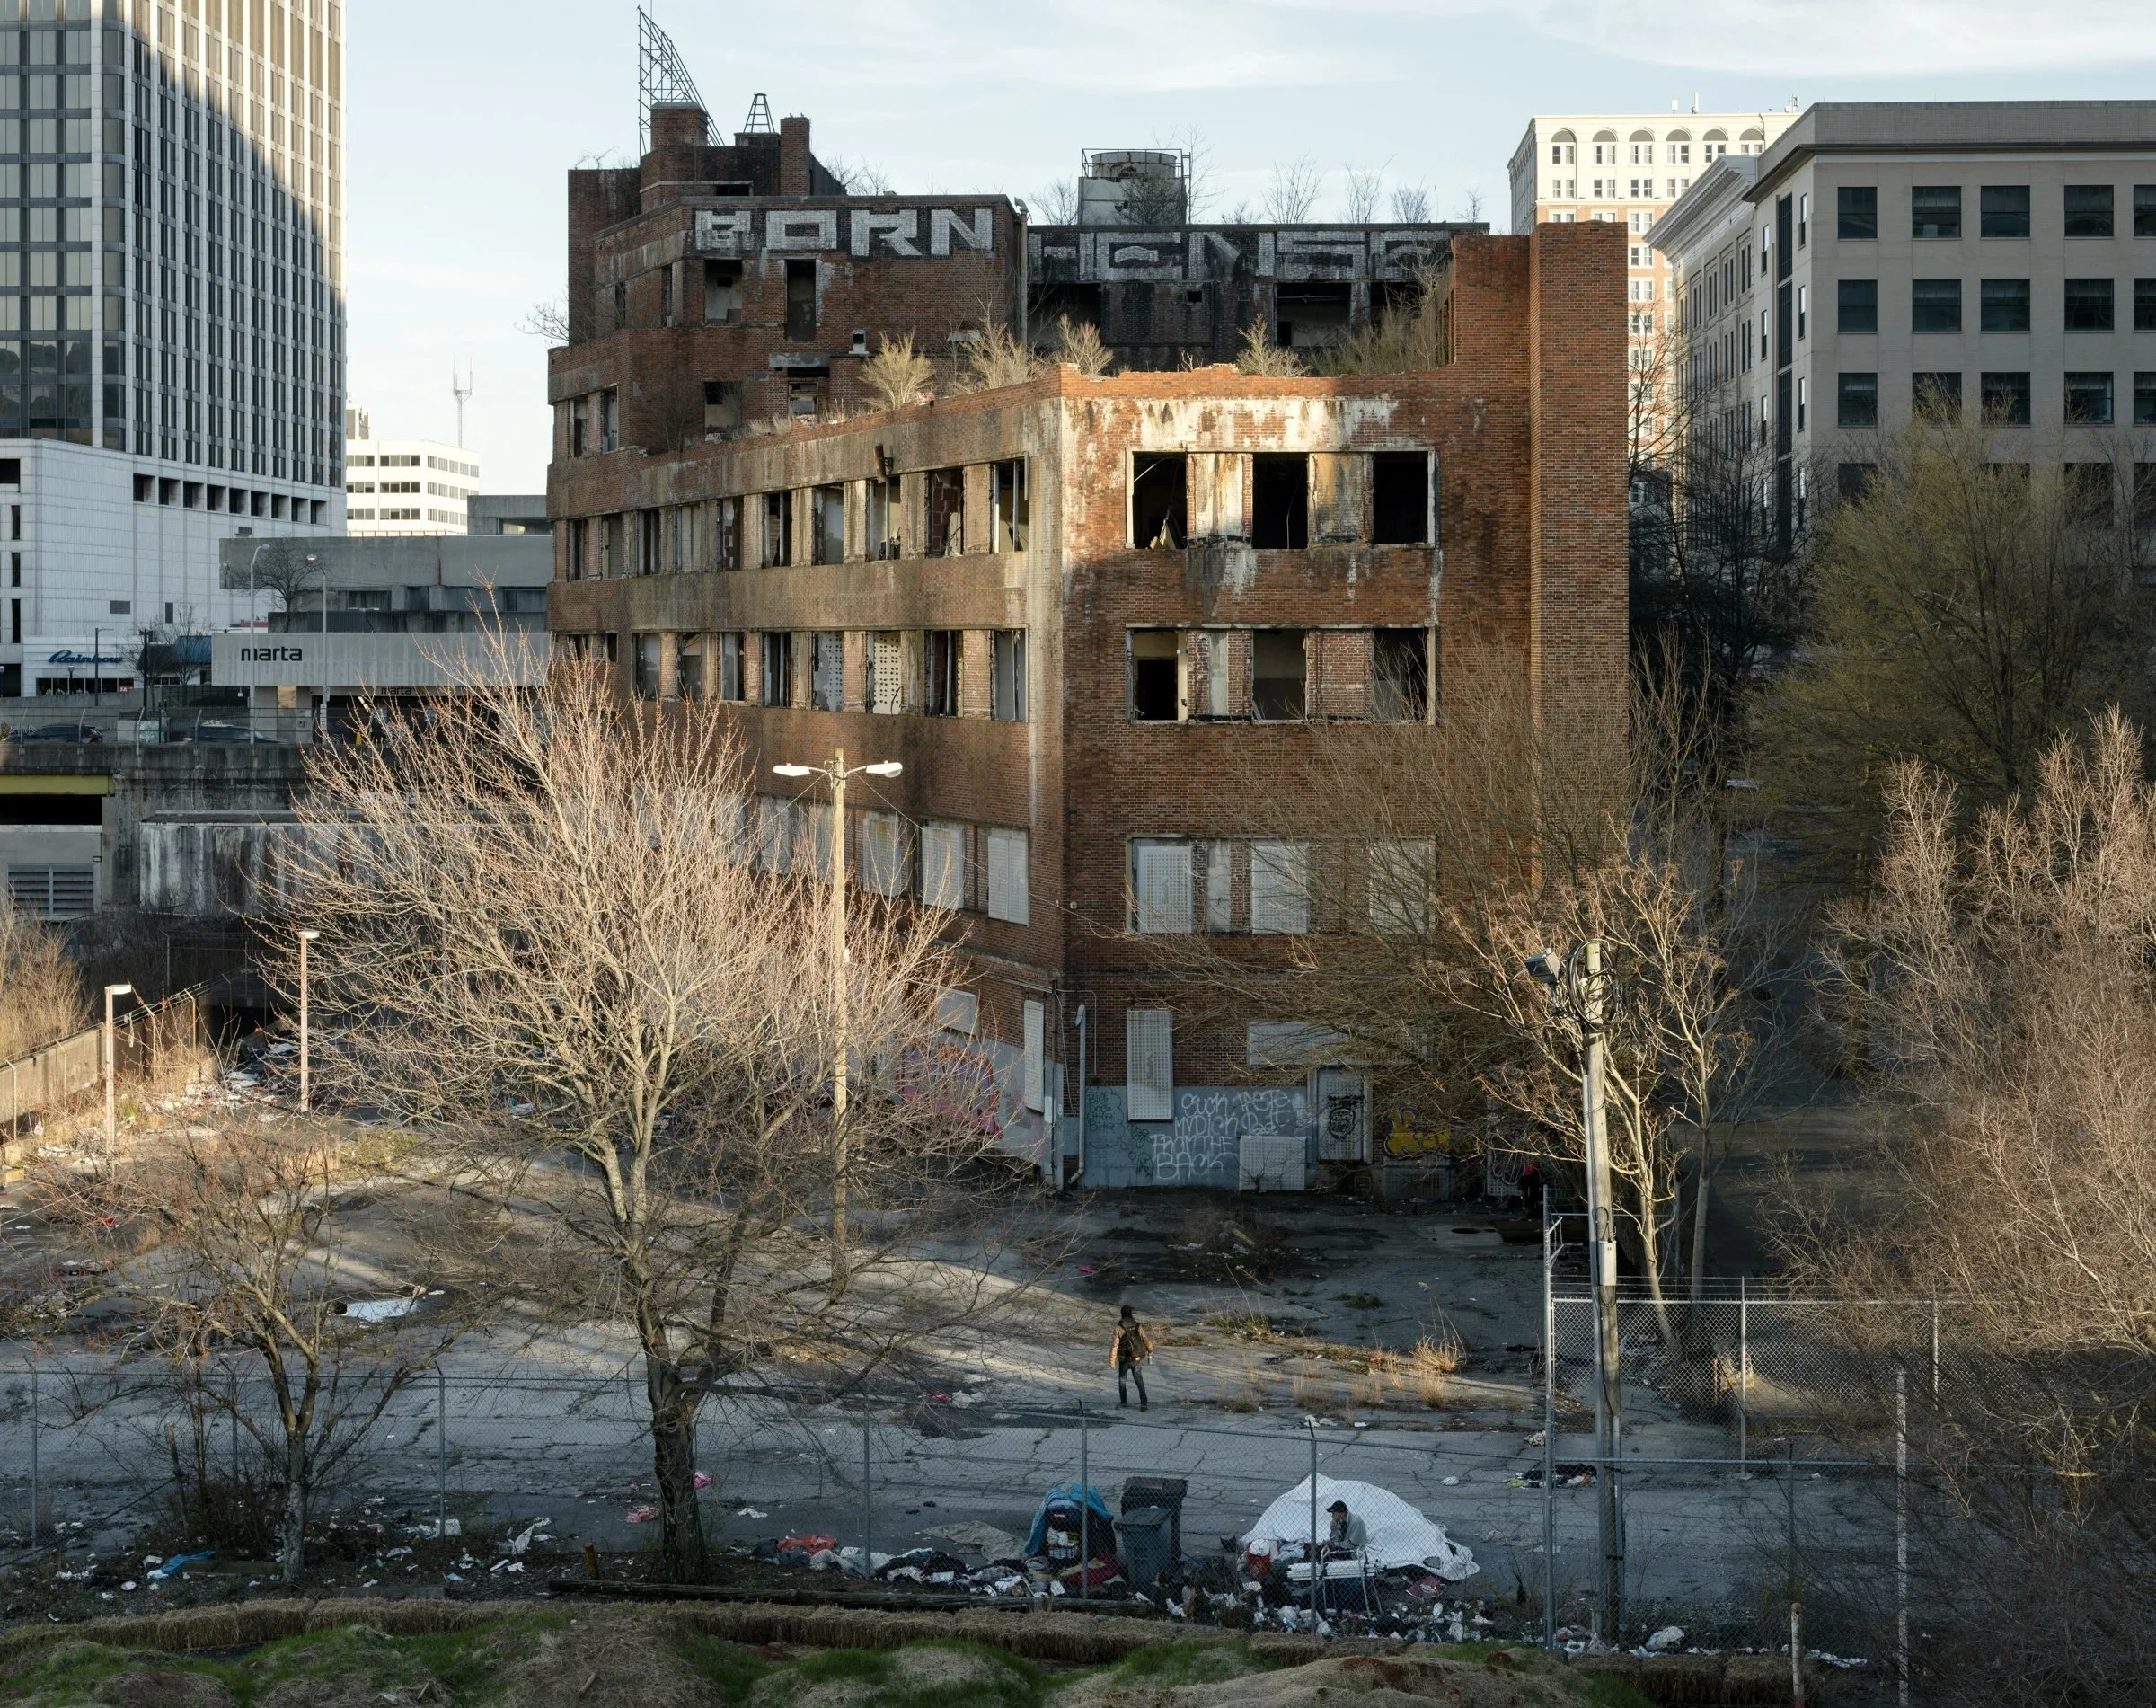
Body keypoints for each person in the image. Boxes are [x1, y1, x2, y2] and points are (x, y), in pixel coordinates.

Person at [1110, 1304, 1153, 1410]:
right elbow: (1145, 1339)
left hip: (1124, 1359)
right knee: (1139, 1380)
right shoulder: (1138, 1325)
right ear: (1131, 1314)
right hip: (1137, 1358)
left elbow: (1115, 1346)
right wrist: (1150, 1350)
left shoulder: (1118, 1328)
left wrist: (1112, 1361)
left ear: (1122, 1314)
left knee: (1122, 1380)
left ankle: (1123, 1402)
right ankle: (1144, 1402)